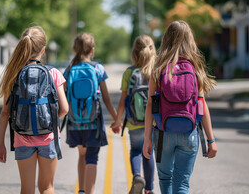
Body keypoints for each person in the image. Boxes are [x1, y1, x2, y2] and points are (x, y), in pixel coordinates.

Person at [142, 20, 218, 194]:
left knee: (165, 178)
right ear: (189, 40)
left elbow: (150, 105)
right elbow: (201, 104)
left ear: (166, 39)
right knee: (182, 183)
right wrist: (211, 140)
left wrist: (147, 138)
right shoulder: (195, 66)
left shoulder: (158, 68)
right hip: (189, 133)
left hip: (163, 134)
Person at [0, 26, 69, 194]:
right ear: (43, 49)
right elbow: (64, 109)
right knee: (47, 187)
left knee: (27, 190)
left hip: (22, 138)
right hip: (48, 137)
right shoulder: (53, 72)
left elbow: (5, 113)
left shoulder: (14, 74)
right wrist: (49, 121)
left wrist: (0, 144)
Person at [64, 32, 118, 194]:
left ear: (75, 49)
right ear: (92, 49)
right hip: (94, 122)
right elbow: (107, 100)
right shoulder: (98, 69)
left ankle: (81, 190)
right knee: (91, 158)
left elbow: (63, 95)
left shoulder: (70, 70)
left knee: (82, 155)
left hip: (75, 122)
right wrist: (117, 120)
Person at [111, 35, 156, 194]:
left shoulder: (129, 72)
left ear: (134, 52)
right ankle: (149, 189)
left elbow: (123, 101)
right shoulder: (156, 71)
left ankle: (137, 176)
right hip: (154, 123)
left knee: (136, 150)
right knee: (149, 152)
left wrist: (117, 122)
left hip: (133, 121)